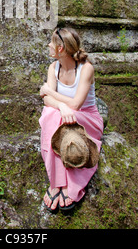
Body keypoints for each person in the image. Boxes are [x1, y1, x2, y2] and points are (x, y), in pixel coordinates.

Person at [39, 27, 104, 212]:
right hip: (65, 113)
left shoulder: (86, 69)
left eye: (52, 42)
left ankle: (72, 185)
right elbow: (47, 100)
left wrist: (51, 92)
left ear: (60, 48)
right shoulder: (54, 67)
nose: (48, 45)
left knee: (55, 116)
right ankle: (56, 183)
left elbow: (76, 104)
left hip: (88, 118)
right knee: (49, 115)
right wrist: (61, 106)